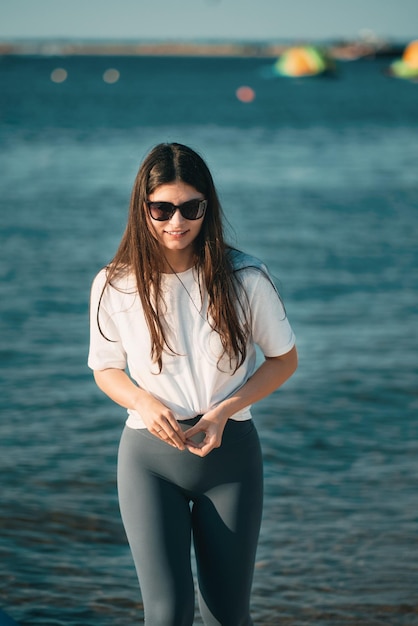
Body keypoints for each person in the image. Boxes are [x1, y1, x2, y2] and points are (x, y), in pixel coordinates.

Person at [88, 142, 298, 626]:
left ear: (208, 206)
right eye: (161, 208)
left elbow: (284, 360)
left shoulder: (245, 278)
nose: (176, 222)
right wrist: (141, 400)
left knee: (227, 615)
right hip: (148, 460)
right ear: (143, 208)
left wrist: (223, 411)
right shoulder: (114, 284)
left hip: (230, 457)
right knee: (166, 614)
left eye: (190, 208)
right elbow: (105, 369)